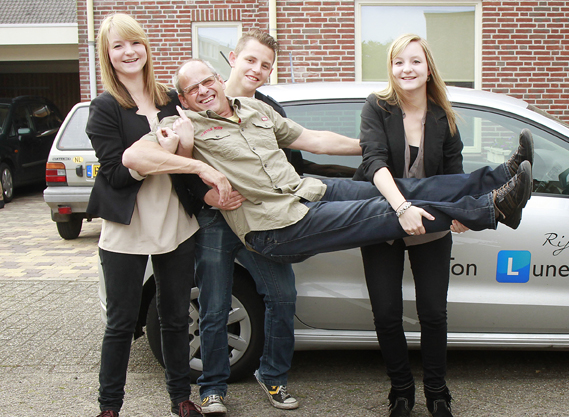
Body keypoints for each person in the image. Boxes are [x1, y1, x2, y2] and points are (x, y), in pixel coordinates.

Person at [121, 58, 533, 268]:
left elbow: (314, 139)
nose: (203, 91)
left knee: (402, 189)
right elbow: (133, 156)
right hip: (275, 226)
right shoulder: (183, 125)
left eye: (207, 81)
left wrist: (373, 148)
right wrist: (201, 167)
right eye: (192, 89)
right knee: (386, 210)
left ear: (218, 78)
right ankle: (492, 208)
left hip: (308, 192)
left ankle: (501, 176)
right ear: (184, 99)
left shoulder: (255, 109)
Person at [353, 33, 533, 417]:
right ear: (391, 68)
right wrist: (401, 208)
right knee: (386, 314)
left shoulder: (443, 117)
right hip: (383, 217)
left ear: (428, 68)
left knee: (433, 313)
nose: (407, 69)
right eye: (399, 62)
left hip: (430, 223)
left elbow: (453, 176)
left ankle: (437, 394)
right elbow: (373, 163)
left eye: (415, 61)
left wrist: (460, 211)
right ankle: (401, 392)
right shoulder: (376, 107)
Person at [194, 29, 336, 415]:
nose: (257, 69)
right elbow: (178, 160)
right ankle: (212, 387)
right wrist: (205, 194)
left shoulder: (267, 108)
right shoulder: (202, 99)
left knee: (282, 295)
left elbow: (293, 158)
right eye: (250, 60)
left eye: (266, 65)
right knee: (214, 303)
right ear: (232, 58)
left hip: (262, 218)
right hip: (216, 219)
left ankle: (272, 375)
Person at [86, 14, 210, 417]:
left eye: (134, 42)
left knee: (175, 317)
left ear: (146, 47)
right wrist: (155, 152)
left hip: (175, 221)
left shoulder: (170, 99)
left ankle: (181, 398)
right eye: (118, 46)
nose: (129, 52)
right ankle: (109, 407)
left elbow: (189, 159)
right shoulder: (104, 108)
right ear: (107, 55)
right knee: (121, 323)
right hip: (127, 227)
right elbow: (116, 174)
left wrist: (181, 149)